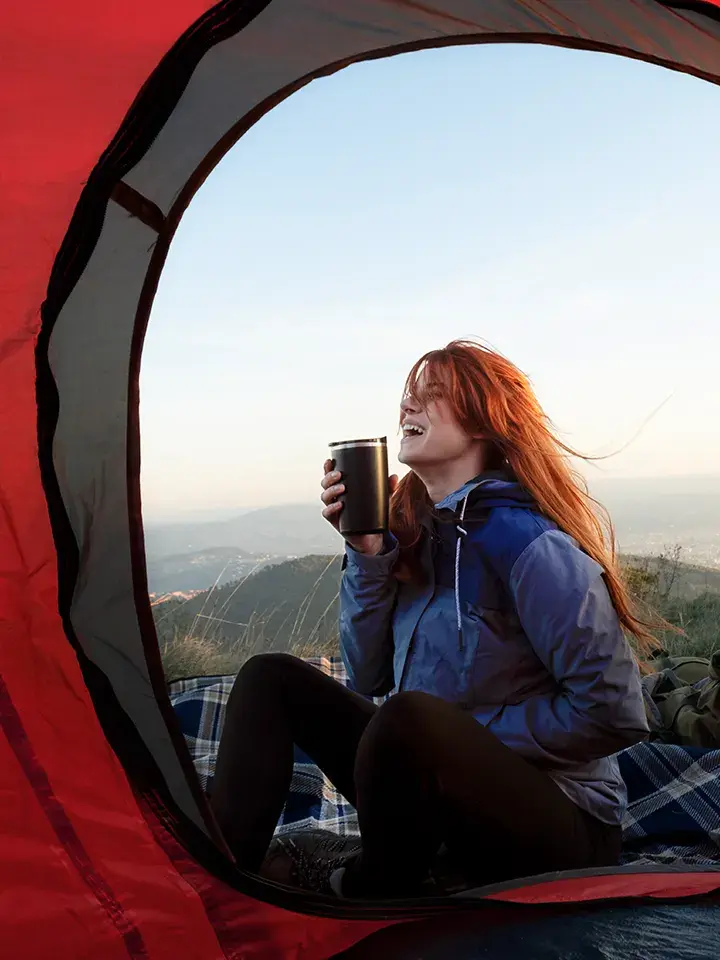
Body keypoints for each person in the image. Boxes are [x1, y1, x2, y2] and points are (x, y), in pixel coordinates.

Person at [210, 339, 655, 899]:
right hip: (433, 788)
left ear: (486, 422)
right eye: (406, 398)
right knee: (269, 679)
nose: (407, 410)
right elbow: (368, 677)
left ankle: (365, 887)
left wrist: (465, 737)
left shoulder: (532, 549)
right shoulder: (418, 535)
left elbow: (614, 716)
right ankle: (220, 880)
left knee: (411, 720)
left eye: (431, 396)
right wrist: (369, 551)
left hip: (560, 830)